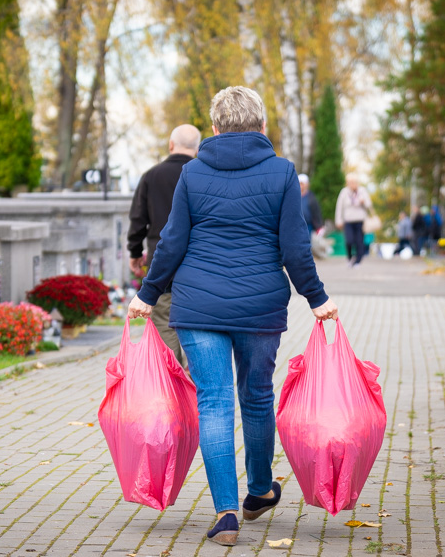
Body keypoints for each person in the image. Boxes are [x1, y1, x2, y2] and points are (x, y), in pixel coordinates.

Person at [127, 86, 338, 547]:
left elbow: (172, 241)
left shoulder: (195, 172)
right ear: (262, 126)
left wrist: (147, 293)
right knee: (257, 396)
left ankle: (225, 513)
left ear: (216, 128)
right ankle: (259, 490)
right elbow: (294, 246)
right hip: (260, 305)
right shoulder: (283, 173)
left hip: (198, 307)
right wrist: (316, 298)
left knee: (214, 403)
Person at [126, 124, 202, 368]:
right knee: (196, 325)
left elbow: (138, 219)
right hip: (197, 265)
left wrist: (135, 252)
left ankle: (174, 379)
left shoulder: (151, 175)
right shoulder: (203, 175)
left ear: (171, 145)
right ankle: (197, 380)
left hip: (161, 264)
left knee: (164, 323)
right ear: (198, 148)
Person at [334, 173, 372, 266]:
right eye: (350, 182)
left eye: (354, 182)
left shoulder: (362, 191)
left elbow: (369, 205)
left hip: (360, 221)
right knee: (349, 240)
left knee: (359, 241)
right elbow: (339, 207)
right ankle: (350, 258)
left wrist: (363, 202)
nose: (352, 184)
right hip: (348, 221)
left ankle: (358, 261)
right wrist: (338, 220)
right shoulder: (344, 192)